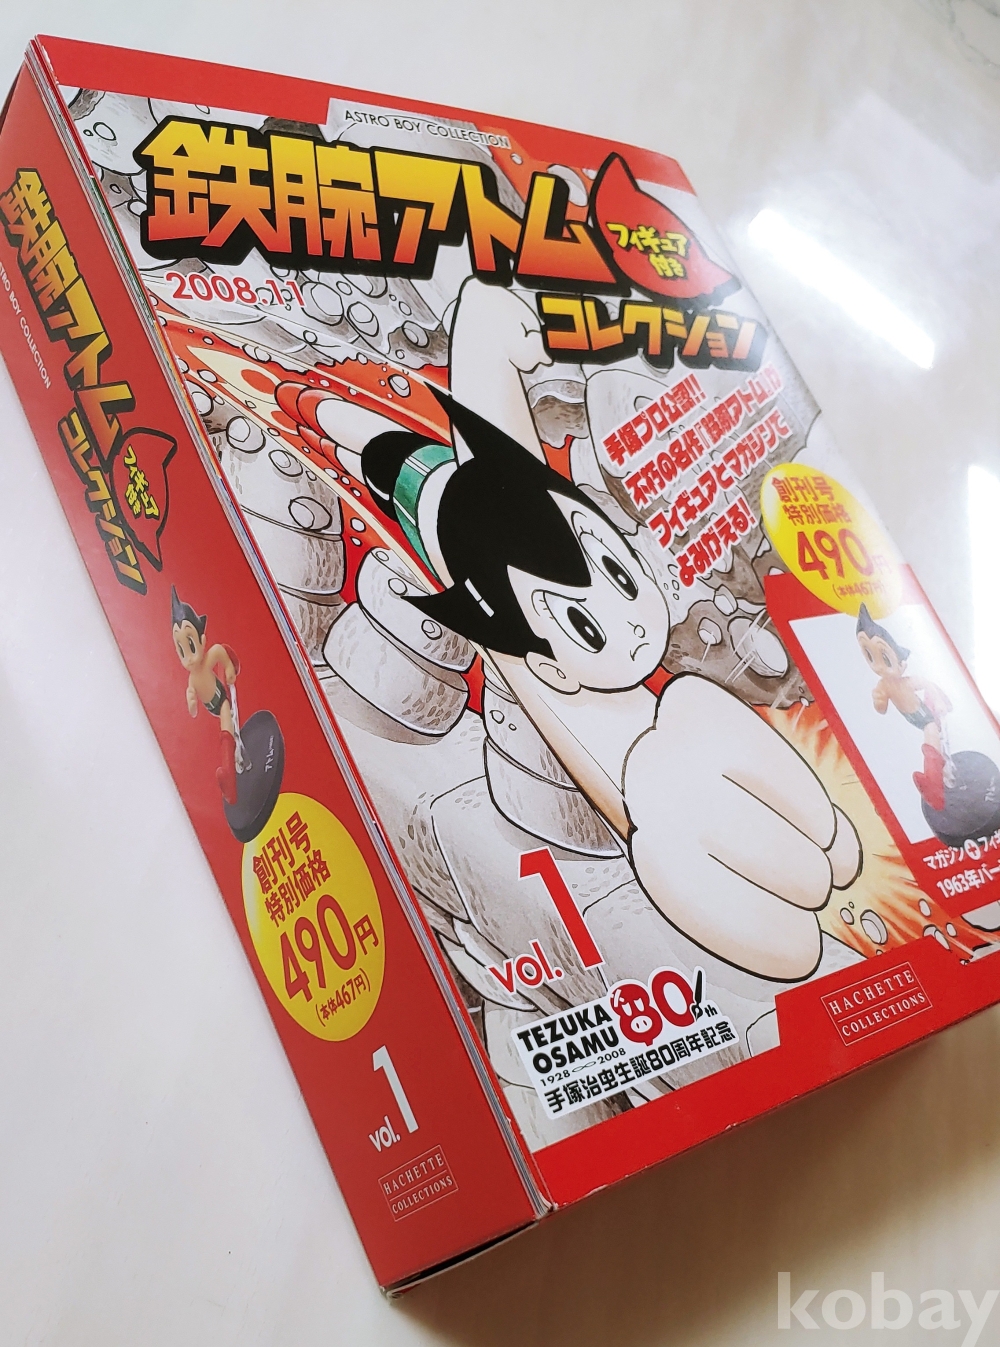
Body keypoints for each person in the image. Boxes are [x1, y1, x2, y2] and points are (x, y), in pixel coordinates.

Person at [856, 603, 952, 811]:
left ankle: (934, 782)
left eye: (885, 659)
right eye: (870, 656)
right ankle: (937, 777)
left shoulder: (906, 682)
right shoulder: (884, 686)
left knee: (932, 732)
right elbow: (881, 709)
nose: (879, 666)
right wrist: (878, 700)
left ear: (902, 664)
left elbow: (926, 683)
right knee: (934, 737)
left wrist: (938, 700)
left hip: (924, 715)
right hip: (912, 717)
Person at [170, 587, 240, 804]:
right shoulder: (192, 680)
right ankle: (230, 776)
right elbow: (192, 706)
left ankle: (229, 773)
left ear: (201, 641)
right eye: (182, 650)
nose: (189, 658)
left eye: (190, 645)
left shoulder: (208, 659)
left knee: (226, 720)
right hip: (210, 706)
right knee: (226, 725)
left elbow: (219, 651)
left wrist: (229, 668)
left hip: (221, 700)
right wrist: (192, 702)